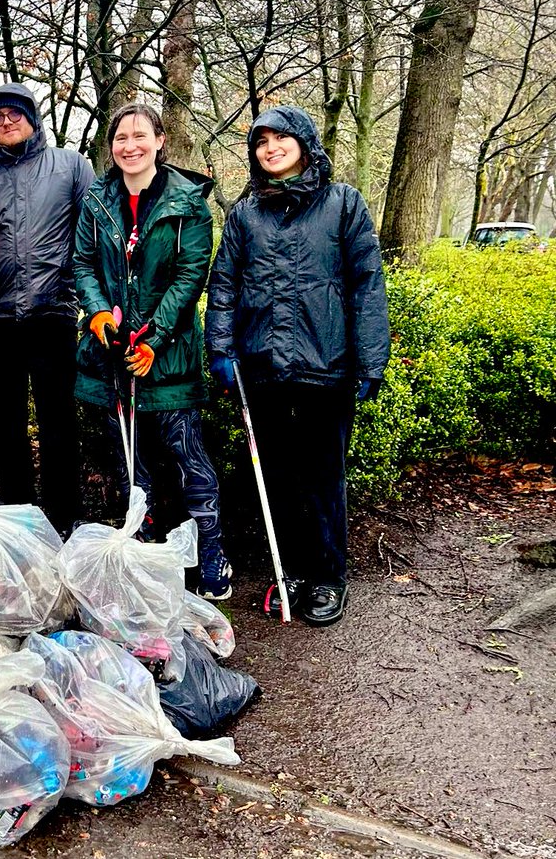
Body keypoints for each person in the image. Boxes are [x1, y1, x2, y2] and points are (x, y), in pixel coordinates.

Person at [205, 105, 389, 626]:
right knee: (277, 476)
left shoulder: (343, 204)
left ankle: (328, 576)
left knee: (323, 475)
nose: (270, 149)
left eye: (280, 139)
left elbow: (366, 285)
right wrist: (220, 350)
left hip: (325, 365)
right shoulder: (244, 215)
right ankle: (287, 572)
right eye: (261, 142)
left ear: (304, 143)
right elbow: (224, 286)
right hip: (261, 366)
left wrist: (371, 359)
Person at [72, 103, 231, 600]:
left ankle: (212, 559)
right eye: (121, 137)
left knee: (188, 458)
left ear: (160, 141)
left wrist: (155, 340)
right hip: (109, 353)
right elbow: (81, 263)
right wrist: (97, 311)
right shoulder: (96, 198)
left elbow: (190, 278)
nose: (130, 146)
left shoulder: (189, 203)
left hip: (169, 356)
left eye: (141, 135)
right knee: (128, 462)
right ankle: (141, 553)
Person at [0, 83, 95, 533]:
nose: (6, 121)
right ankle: (17, 515)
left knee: (58, 419)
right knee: (6, 423)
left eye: (15, 113)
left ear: (32, 117)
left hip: (54, 311)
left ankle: (63, 514)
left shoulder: (71, 167)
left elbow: (93, 237)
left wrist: (95, 305)